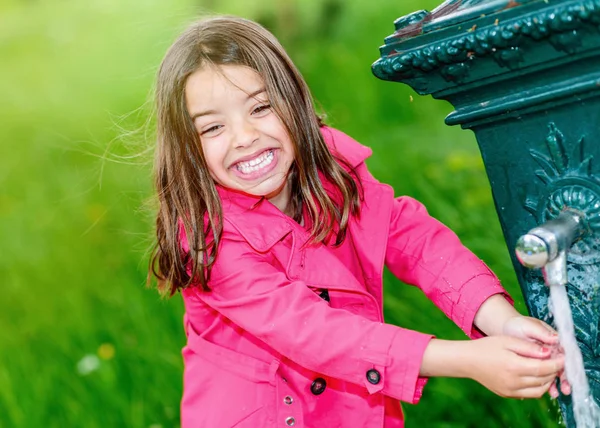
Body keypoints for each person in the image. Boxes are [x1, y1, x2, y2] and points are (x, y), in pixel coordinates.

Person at [149, 16, 570, 428]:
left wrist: (501, 321)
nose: (244, 136)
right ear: (188, 149)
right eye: (213, 128)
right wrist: (467, 360)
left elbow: (415, 241)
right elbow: (312, 332)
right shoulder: (210, 240)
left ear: (293, 102)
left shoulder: (332, 170)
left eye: (260, 107)